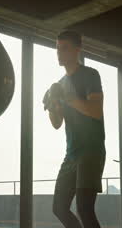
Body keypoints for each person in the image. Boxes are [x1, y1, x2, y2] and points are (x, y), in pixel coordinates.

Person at [43, 30, 106, 228]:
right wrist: (53, 104)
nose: (59, 53)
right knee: (59, 208)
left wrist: (67, 97)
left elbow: (96, 111)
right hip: (71, 154)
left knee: (85, 209)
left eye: (64, 48)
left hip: (91, 151)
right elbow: (56, 123)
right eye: (57, 48)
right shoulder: (60, 84)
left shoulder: (90, 75)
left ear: (77, 50)